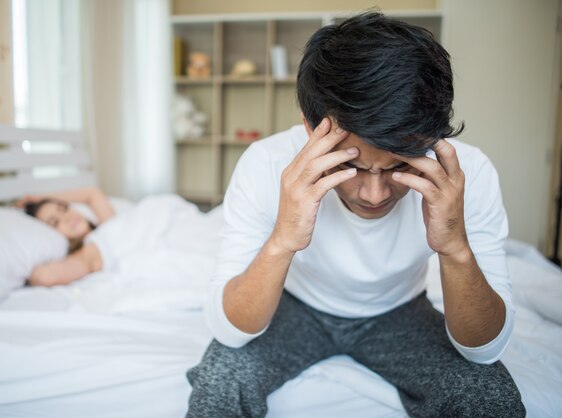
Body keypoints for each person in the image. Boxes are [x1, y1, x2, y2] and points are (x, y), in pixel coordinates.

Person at [186, 11, 525, 418]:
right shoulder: (265, 163)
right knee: (219, 382)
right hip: (294, 307)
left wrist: (454, 248)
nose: (374, 194)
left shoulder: (470, 173)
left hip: (400, 312)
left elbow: (485, 350)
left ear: (432, 136)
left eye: (400, 166)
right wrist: (283, 240)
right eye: (355, 167)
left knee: (489, 397)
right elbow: (229, 332)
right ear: (311, 128)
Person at [16, 186, 114, 287]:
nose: (68, 217)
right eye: (55, 222)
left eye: (63, 209)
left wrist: (42, 197)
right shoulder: (89, 252)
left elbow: (92, 193)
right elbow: (43, 277)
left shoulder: (109, 225)